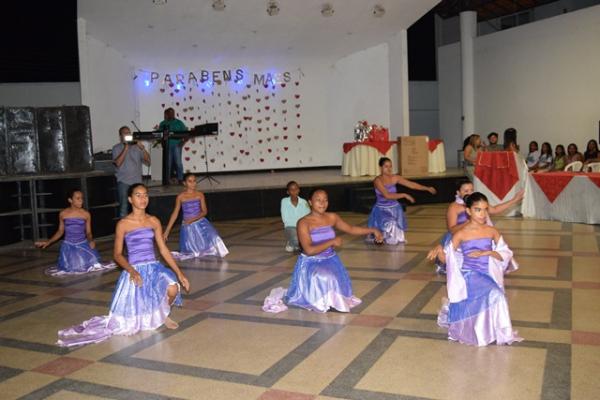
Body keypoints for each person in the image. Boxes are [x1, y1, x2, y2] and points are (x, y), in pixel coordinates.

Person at [57, 183, 190, 347]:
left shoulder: (153, 221)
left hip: (153, 266)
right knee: (128, 319)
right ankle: (152, 314)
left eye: (145, 195)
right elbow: (117, 254)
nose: (143, 199)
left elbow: (163, 250)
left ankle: (162, 315)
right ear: (130, 199)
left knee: (173, 288)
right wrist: (131, 270)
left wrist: (180, 273)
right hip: (133, 267)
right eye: (138, 195)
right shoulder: (123, 224)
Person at [262, 189, 383, 314]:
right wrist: (331, 242)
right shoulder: (303, 223)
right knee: (326, 277)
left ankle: (332, 301)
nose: (322, 203)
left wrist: (373, 230)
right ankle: (322, 301)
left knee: (337, 278)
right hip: (310, 262)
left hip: (330, 259)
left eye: (325, 200)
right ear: (310, 202)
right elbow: (309, 250)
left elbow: (351, 229)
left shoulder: (332, 217)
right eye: (318, 200)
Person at [430, 192, 521, 346]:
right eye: (478, 209)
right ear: (469, 211)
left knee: (495, 295)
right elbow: (449, 259)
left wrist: (488, 252)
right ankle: (489, 333)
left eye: (485, 209)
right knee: (496, 295)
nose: (483, 213)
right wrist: (439, 252)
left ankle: (491, 330)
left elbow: (506, 253)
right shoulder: (461, 234)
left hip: (487, 273)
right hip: (469, 275)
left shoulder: (492, 231)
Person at [431, 180, 523, 274]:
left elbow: (495, 209)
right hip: (462, 237)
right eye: (465, 191)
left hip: (479, 234)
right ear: (458, 192)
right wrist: (469, 223)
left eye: (471, 190)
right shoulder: (454, 207)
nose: (469, 193)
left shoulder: (478, 202)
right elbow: (451, 229)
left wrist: (514, 200)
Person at [35, 189, 115, 276]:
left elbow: (88, 232)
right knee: (71, 268)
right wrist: (48, 242)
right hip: (68, 245)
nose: (81, 200)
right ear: (70, 200)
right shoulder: (63, 213)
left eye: (82, 198)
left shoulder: (86, 214)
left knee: (92, 265)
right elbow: (60, 231)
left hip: (82, 244)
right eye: (78, 198)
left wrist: (91, 240)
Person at [367, 157, 436, 244]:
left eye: (390, 166)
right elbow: (387, 195)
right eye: (386, 166)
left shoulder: (395, 177)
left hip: (395, 209)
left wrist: (427, 188)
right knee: (389, 226)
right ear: (380, 168)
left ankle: (386, 238)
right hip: (381, 210)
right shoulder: (377, 180)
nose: (389, 169)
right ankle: (381, 236)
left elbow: (412, 184)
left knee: (395, 235)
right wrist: (404, 195)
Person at [164, 173, 228, 259]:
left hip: (200, 222)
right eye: (190, 181)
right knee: (193, 251)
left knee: (215, 237)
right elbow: (175, 214)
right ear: (184, 183)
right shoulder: (181, 197)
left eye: (194, 181)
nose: (193, 183)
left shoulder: (200, 195)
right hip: (188, 226)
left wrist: (193, 219)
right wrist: (167, 231)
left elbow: (204, 211)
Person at [112, 126, 150, 218]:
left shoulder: (137, 147)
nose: (127, 134)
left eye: (129, 133)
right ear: (120, 136)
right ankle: (123, 230)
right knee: (124, 208)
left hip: (137, 182)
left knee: (140, 206)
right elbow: (117, 163)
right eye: (125, 133)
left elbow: (148, 161)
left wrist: (143, 149)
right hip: (123, 182)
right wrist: (126, 147)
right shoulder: (116, 148)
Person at [157, 108, 187, 184]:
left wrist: (182, 143)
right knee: (168, 164)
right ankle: (167, 180)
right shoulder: (163, 123)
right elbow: (159, 135)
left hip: (177, 146)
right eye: (169, 113)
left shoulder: (179, 123)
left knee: (178, 163)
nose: (171, 115)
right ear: (166, 114)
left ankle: (180, 179)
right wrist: (162, 143)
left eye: (172, 113)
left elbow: (187, 133)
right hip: (167, 146)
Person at [280, 181, 310, 252]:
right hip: (290, 227)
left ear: (299, 190)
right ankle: (291, 243)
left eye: (296, 189)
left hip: (302, 227)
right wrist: (297, 228)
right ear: (288, 192)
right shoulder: (284, 201)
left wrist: (302, 228)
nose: (294, 191)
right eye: (291, 190)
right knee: (297, 241)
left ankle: (295, 244)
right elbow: (285, 219)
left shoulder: (304, 202)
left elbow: (307, 217)